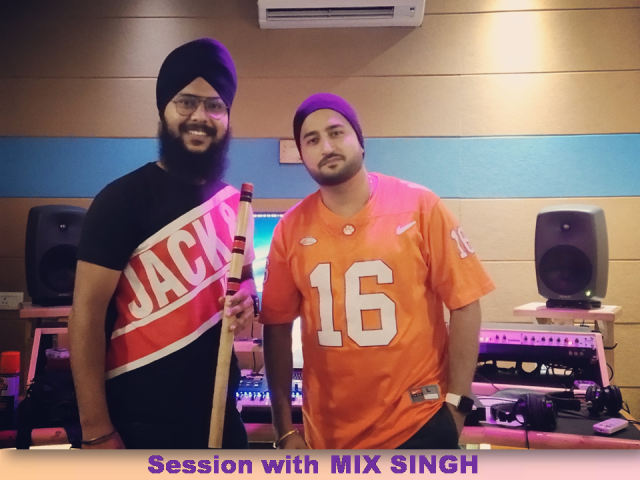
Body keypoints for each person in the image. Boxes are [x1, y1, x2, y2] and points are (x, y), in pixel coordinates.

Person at [260, 93, 495, 449]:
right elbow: (276, 326)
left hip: (417, 424)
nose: (327, 147)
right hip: (328, 434)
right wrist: (283, 429)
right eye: (312, 140)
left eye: (336, 133)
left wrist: (458, 404)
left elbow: (465, 302)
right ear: (302, 154)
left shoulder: (420, 206)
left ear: (360, 140)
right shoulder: (289, 230)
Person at [68, 38, 258, 449]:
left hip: (220, 421)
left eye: (215, 105)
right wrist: (96, 429)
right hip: (137, 426)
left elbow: (245, 284)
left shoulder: (235, 205)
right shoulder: (121, 199)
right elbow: (85, 316)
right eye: (186, 102)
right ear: (163, 109)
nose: (200, 117)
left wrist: (247, 299)